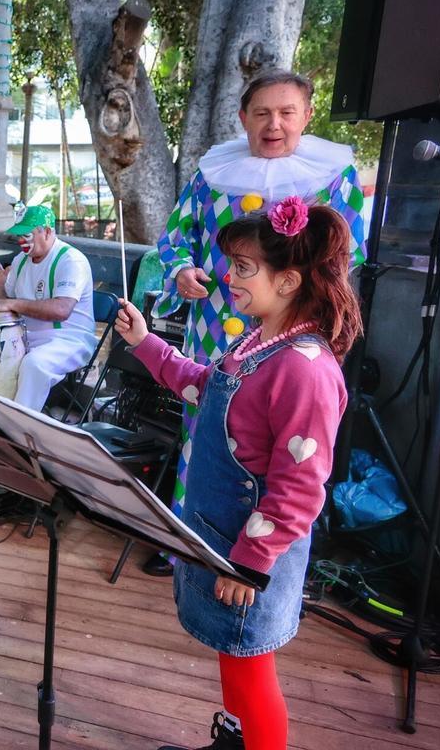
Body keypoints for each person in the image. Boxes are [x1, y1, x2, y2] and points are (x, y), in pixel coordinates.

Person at [117, 200, 361, 750]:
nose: (229, 277)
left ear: (289, 280)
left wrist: (251, 565)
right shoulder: (256, 340)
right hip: (222, 536)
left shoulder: (304, 369)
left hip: (252, 554)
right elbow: (201, 387)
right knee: (234, 653)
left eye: (244, 267)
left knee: (251, 668)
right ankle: (234, 740)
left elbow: (300, 490)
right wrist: (144, 342)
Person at [151, 69, 368, 577]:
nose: (274, 124)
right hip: (214, 319)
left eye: (287, 113)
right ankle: (189, 545)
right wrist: (181, 271)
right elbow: (175, 237)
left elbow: (348, 251)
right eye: (262, 113)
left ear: (306, 116)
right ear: (243, 117)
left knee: (283, 445)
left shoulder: (335, 176)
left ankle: (259, 557)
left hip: (291, 332)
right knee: (203, 427)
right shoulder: (210, 174)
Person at [0, 204, 97, 411]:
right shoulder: (20, 260)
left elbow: (61, 310)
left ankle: (17, 425)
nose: (21, 241)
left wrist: (12, 303)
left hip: (69, 339)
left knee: (34, 364)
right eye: (19, 235)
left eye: (27, 235)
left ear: (47, 232)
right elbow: (7, 306)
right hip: (26, 337)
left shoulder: (71, 260)